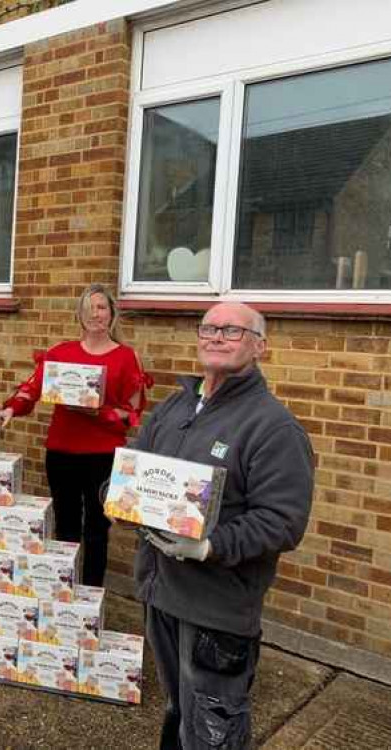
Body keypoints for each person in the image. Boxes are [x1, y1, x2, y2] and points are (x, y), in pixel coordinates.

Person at [133, 302, 314, 750]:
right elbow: (135, 469)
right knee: (178, 712)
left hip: (216, 608)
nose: (216, 337)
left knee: (213, 730)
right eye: (209, 328)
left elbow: (282, 521)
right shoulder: (175, 406)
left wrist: (208, 546)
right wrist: (115, 497)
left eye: (232, 331)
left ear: (260, 347)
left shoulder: (273, 426)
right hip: (161, 592)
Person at [0, 284, 150, 587]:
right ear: (79, 315)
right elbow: (32, 388)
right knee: (65, 528)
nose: (96, 313)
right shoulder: (60, 353)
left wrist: (101, 413)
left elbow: (132, 412)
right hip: (62, 453)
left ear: (112, 313)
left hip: (103, 456)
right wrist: (12, 409)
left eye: (102, 307)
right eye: (90, 307)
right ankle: (65, 591)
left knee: (96, 531)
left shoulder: (126, 357)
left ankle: (91, 596)